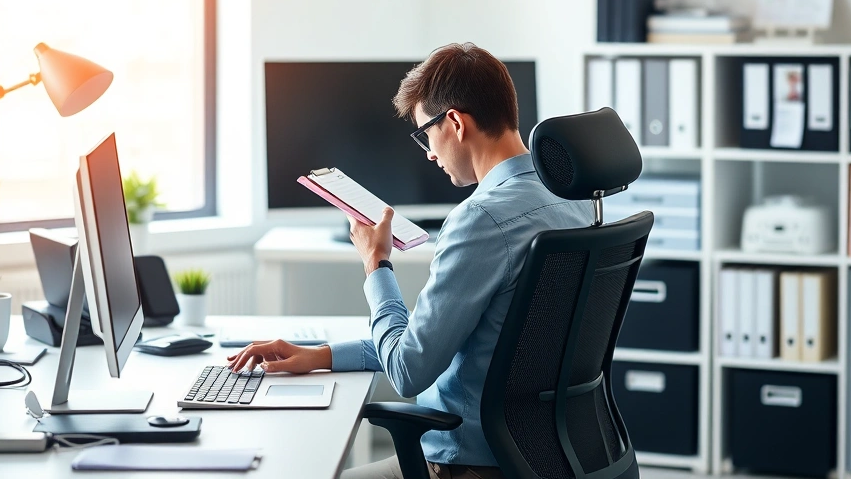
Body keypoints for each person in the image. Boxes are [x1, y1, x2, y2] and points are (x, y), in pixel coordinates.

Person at [227, 43, 593, 479]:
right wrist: (320, 355)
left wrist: (376, 264)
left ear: (454, 122)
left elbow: (407, 370)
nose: (428, 153)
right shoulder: (576, 200)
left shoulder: (479, 221)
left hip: (468, 464)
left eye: (426, 134)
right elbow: (429, 343)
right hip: (551, 453)